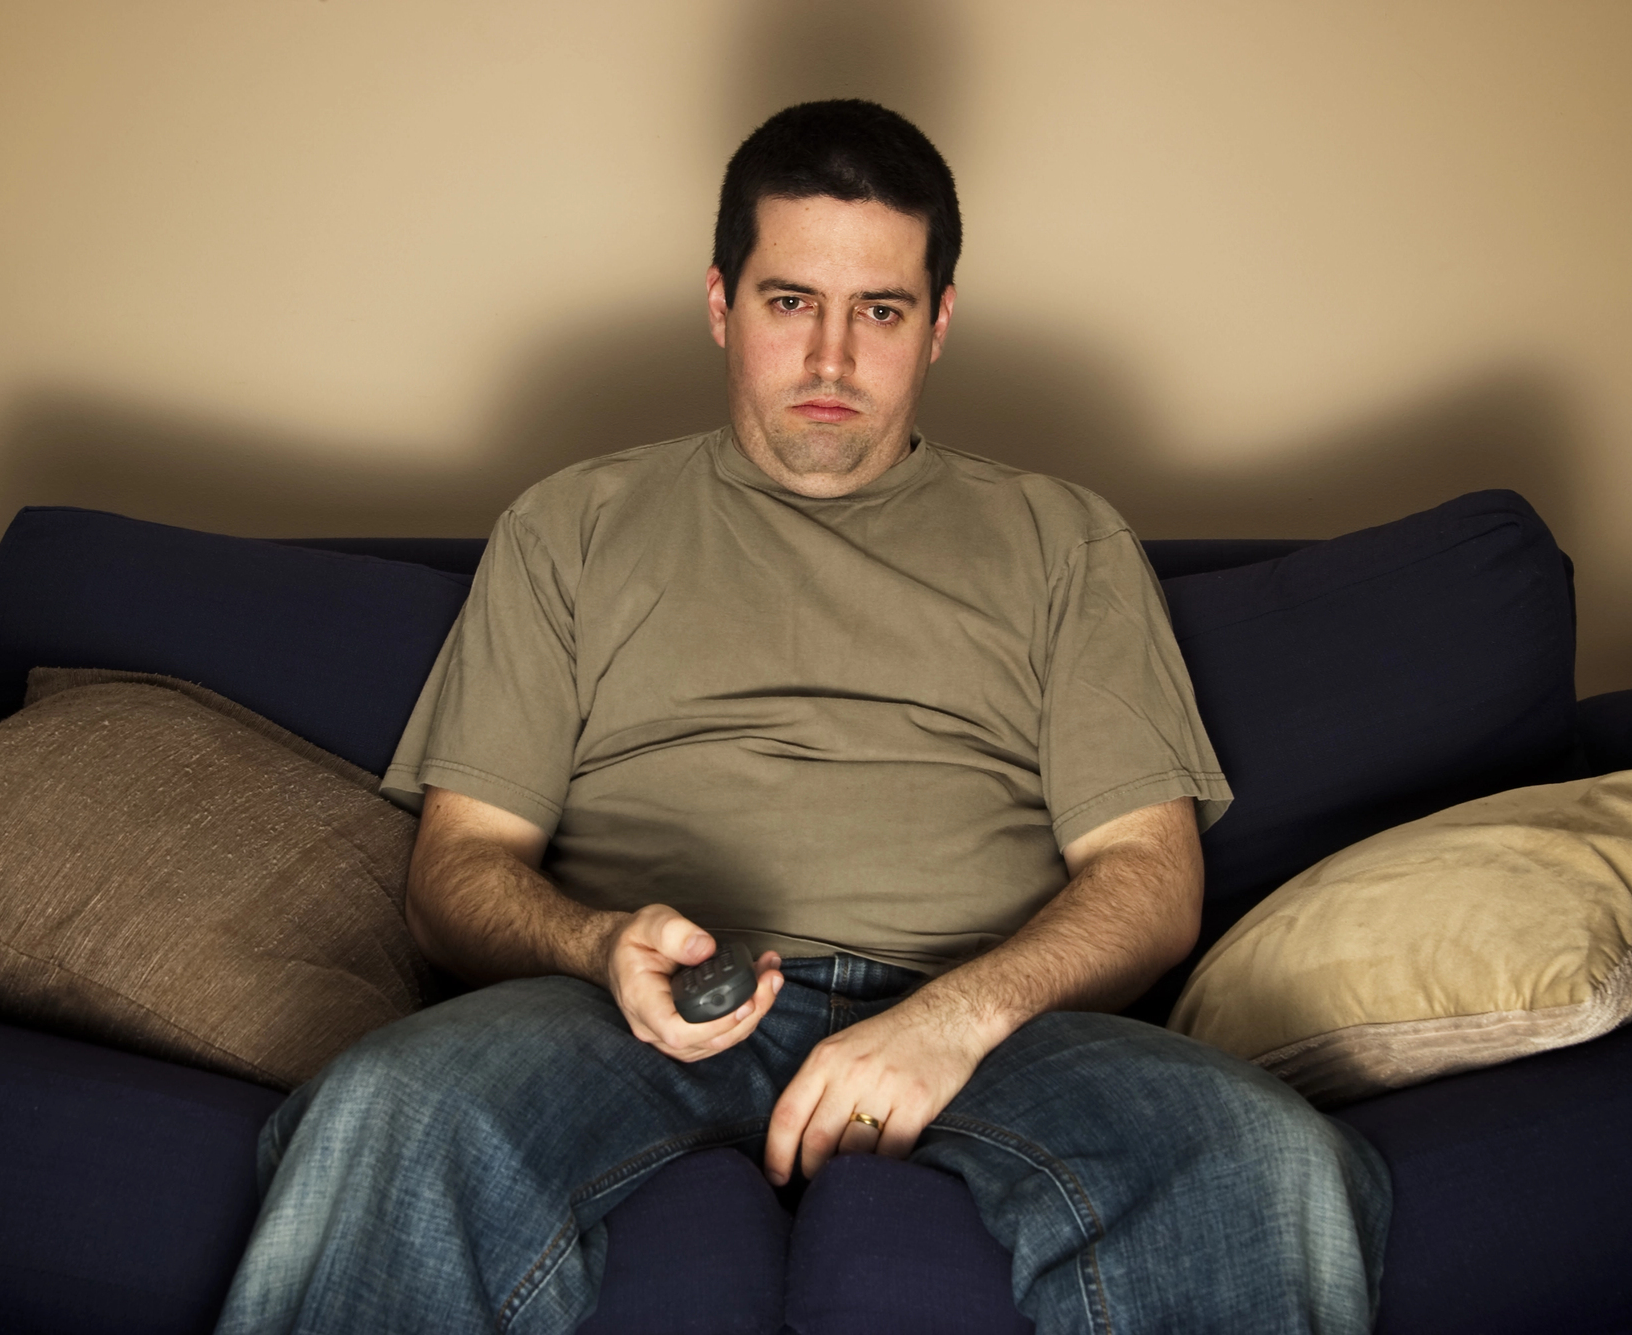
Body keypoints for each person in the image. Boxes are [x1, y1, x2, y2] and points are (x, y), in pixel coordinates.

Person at [214, 99, 1390, 1334]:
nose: (830, 361)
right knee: (387, 1106)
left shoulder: (1063, 539)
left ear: (936, 324)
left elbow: (1148, 877)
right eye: (789, 303)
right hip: (631, 1020)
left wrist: (947, 1021)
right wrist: (592, 943)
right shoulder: (569, 526)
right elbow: (454, 871)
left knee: (1263, 1158)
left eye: (877, 311)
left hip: (985, 1028)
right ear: (721, 305)